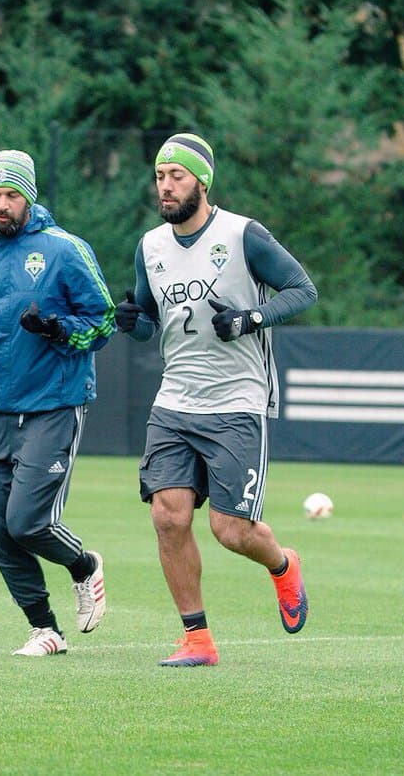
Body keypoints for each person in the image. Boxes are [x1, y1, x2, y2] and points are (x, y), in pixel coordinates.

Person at [114, 132, 318, 666]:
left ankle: (283, 565)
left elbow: (303, 290)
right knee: (168, 517)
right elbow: (149, 321)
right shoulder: (150, 247)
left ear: (201, 182)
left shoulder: (243, 234)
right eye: (160, 176)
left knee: (231, 530)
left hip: (237, 401)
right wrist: (132, 322)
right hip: (175, 400)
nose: (165, 186)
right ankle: (197, 639)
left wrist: (250, 318)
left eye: (176, 176)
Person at [0, 149, 115, 657]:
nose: (1, 205)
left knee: (27, 521)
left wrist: (57, 329)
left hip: (54, 401)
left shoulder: (65, 250)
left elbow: (103, 322)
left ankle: (84, 566)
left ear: (28, 198)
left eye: (11, 195)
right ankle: (44, 629)